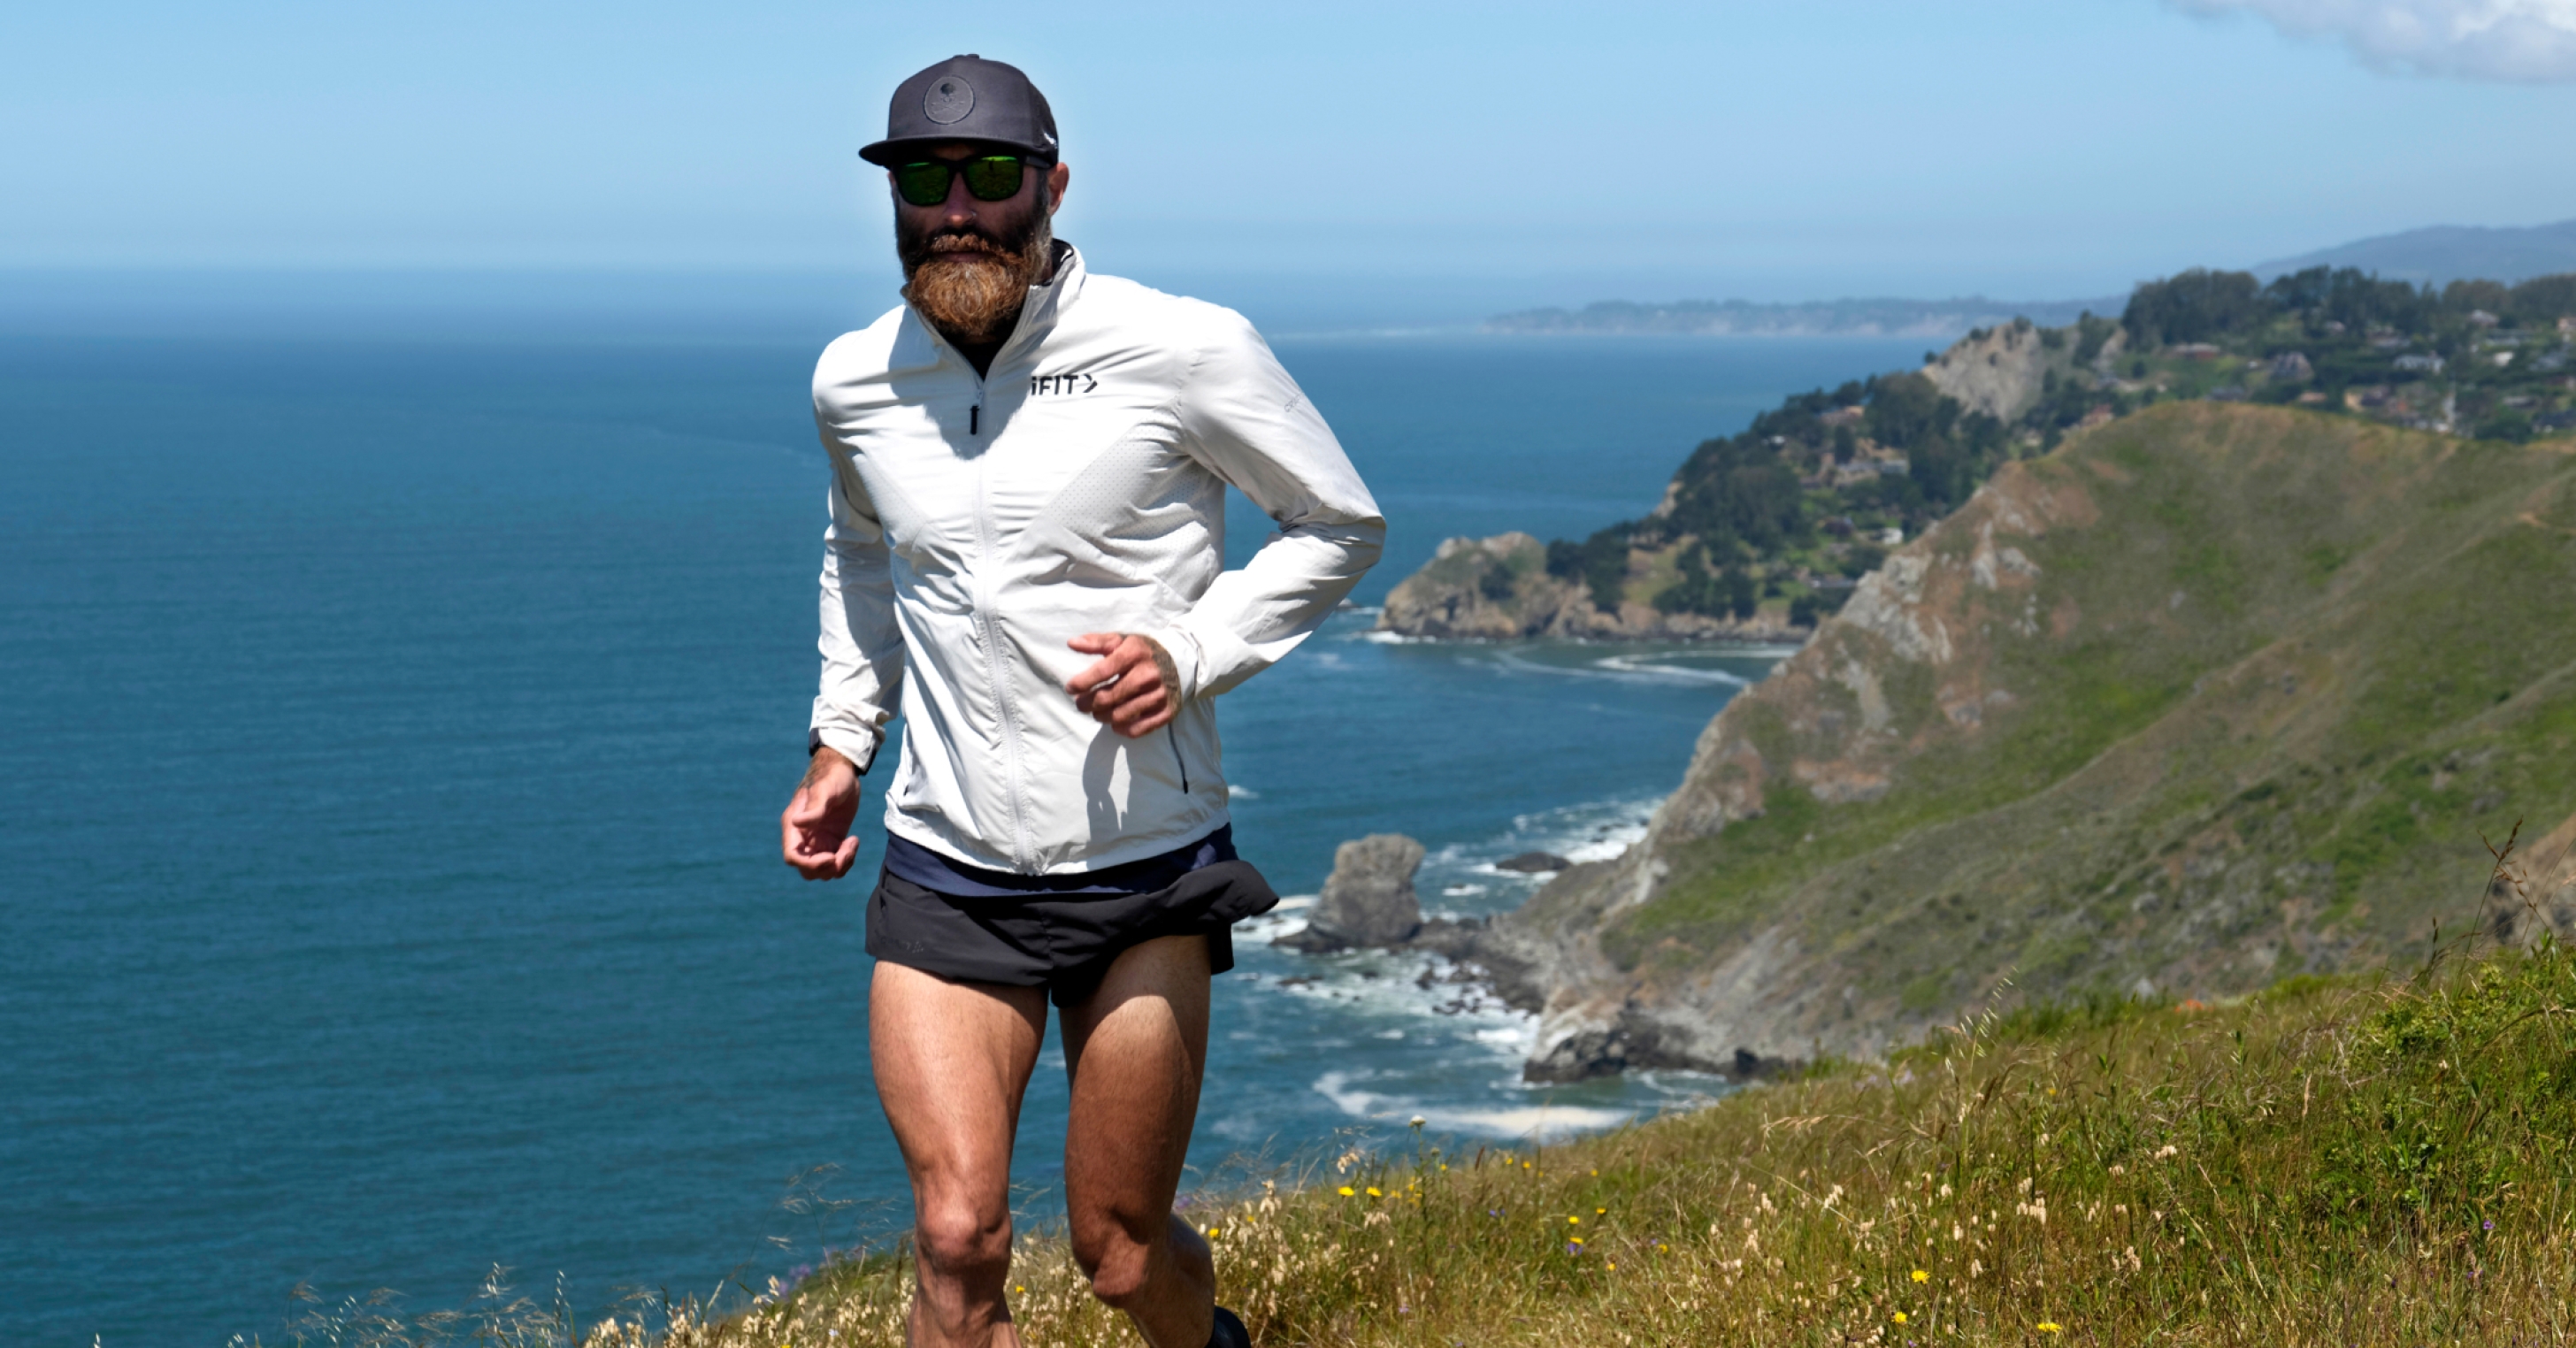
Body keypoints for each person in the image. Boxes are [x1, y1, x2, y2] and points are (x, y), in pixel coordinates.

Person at [778, 55, 1383, 1348]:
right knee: (955, 1241)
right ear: (890, 198)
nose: (957, 206)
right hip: (948, 868)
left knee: (1118, 1256)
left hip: (1144, 873)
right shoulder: (854, 380)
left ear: (1052, 183)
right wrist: (842, 742)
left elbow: (1337, 524)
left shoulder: (1182, 346)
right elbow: (862, 555)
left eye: (992, 175)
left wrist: (1194, 648)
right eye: (923, 179)